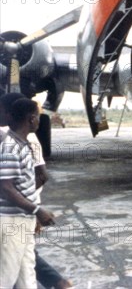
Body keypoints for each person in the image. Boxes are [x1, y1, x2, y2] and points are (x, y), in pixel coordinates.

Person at [0, 93, 72, 289]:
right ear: (31, 119)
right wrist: (36, 209)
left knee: (27, 274)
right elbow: (6, 188)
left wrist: (33, 211)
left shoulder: (25, 145)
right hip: (13, 220)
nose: (40, 120)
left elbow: (39, 177)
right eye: (38, 116)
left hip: (23, 219)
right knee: (5, 277)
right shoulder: (10, 148)